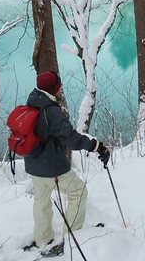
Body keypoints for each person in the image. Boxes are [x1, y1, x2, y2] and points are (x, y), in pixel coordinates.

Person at [22, 71, 110, 258]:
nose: (60, 87)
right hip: (51, 167)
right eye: (59, 85)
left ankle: (42, 238)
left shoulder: (32, 103)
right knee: (78, 192)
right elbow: (71, 139)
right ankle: (72, 238)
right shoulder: (52, 111)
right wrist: (95, 146)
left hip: (33, 165)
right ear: (55, 88)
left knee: (41, 199)